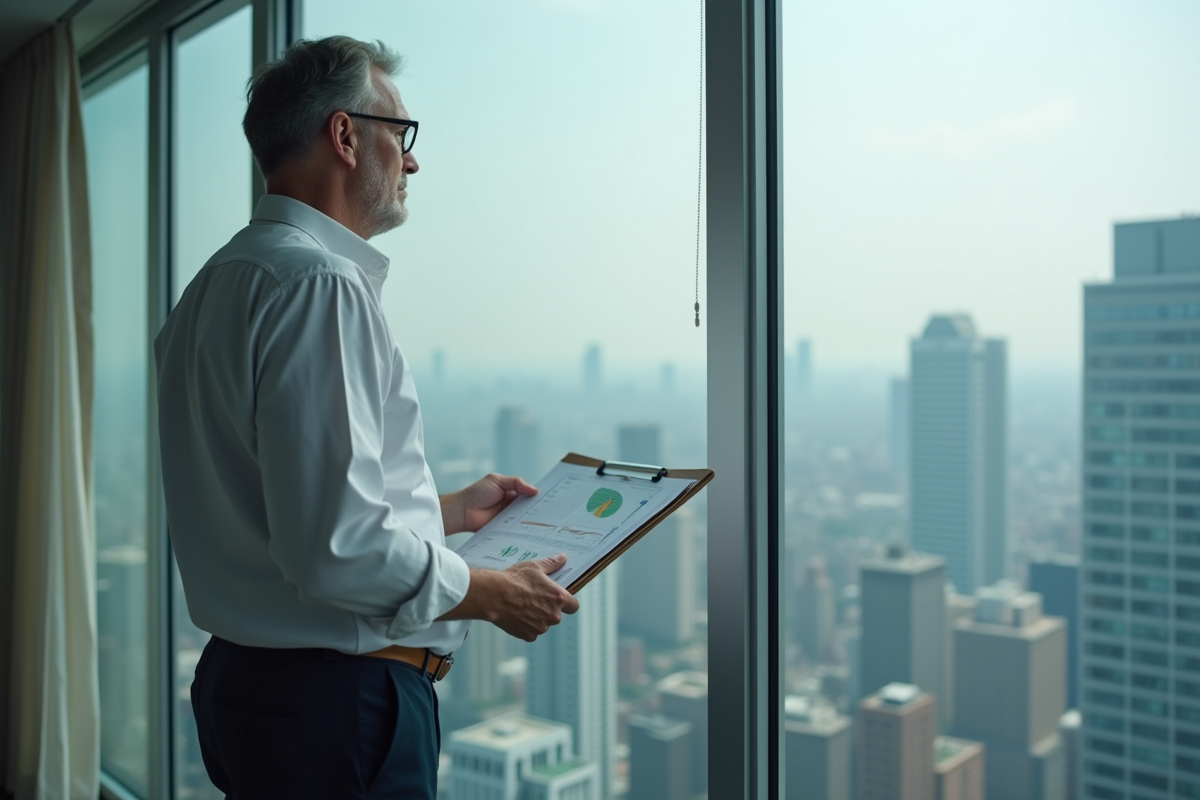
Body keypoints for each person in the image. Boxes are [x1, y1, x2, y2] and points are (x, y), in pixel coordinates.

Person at [154, 36, 579, 799]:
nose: (412, 161)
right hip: (338, 706)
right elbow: (334, 548)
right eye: (401, 134)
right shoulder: (319, 285)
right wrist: (489, 592)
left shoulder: (212, 288)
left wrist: (447, 512)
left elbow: (277, 510)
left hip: (251, 688)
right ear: (345, 136)